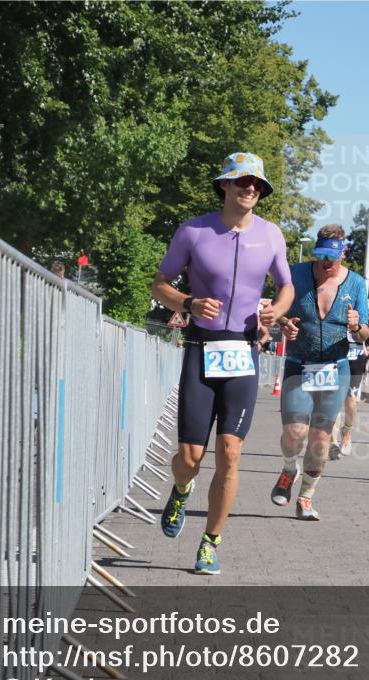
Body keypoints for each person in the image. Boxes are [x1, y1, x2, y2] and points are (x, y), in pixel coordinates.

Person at [150, 152, 294, 573]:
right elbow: (159, 285)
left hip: (243, 352)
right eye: (242, 181)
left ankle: (211, 542)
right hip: (201, 347)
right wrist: (188, 303)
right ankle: (181, 489)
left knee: (230, 453)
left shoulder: (271, 235)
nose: (250, 189)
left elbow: (286, 286)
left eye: (257, 184)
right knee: (190, 458)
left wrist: (277, 310)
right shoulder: (193, 231)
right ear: (225, 186)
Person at [271, 225, 369, 520]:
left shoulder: (356, 284)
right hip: (299, 363)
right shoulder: (296, 274)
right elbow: (277, 310)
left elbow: (364, 334)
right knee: (294, 432)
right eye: (321, 256)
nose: (326, 263)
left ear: (344, 252)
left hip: (335, 367)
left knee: (320, 440)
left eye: (332, 257)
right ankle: (288, 470)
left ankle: (306, 497)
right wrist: (284, 324)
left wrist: (356, 326)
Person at [330, 297, 369, 459]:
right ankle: (333, 441)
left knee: (350, 399)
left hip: (355, 356)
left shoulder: (367, 304)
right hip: (335, 352)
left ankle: (347, 432)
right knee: (334, 398)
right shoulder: (334, 297)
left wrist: (360, 332)